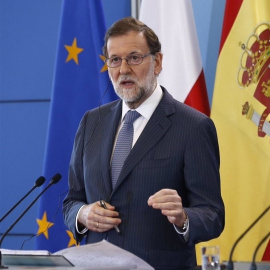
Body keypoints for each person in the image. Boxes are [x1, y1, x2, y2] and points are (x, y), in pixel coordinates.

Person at [63, 17, 225, 269]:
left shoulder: (193, 126)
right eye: (115, 60)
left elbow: (213, 215)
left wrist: (183, 217)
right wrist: (83, 215)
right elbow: (72, 201)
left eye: (134, 57)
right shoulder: (91, 122)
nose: (123, 69)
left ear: (157, 62)